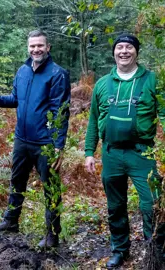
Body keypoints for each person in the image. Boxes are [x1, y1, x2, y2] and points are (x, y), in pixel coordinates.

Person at [0, 30, 71, 248]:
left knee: (50, 188)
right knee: (17, 182)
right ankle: (11, 221)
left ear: (48, 47)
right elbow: (16, 99)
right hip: (22, 139)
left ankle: (52, 234)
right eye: (32, 46)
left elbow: (60, 112)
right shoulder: (22, 71)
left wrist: (58, 145)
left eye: (40, 46)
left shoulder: (57, 74)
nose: (36, 50)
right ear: (28, 47)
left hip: (45, 143)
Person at [84, 33, 165, 268]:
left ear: (136, 52)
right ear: (114, 53)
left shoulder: (152, 80)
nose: (124, 51)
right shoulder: (102, 84)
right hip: (111, 154)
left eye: (129, 47)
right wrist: (90, 152)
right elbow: (92, 120)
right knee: (115, 206)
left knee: (152, 204)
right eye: (119, 47)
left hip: (142, 153)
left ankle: (156, 250)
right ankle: (120, 249)